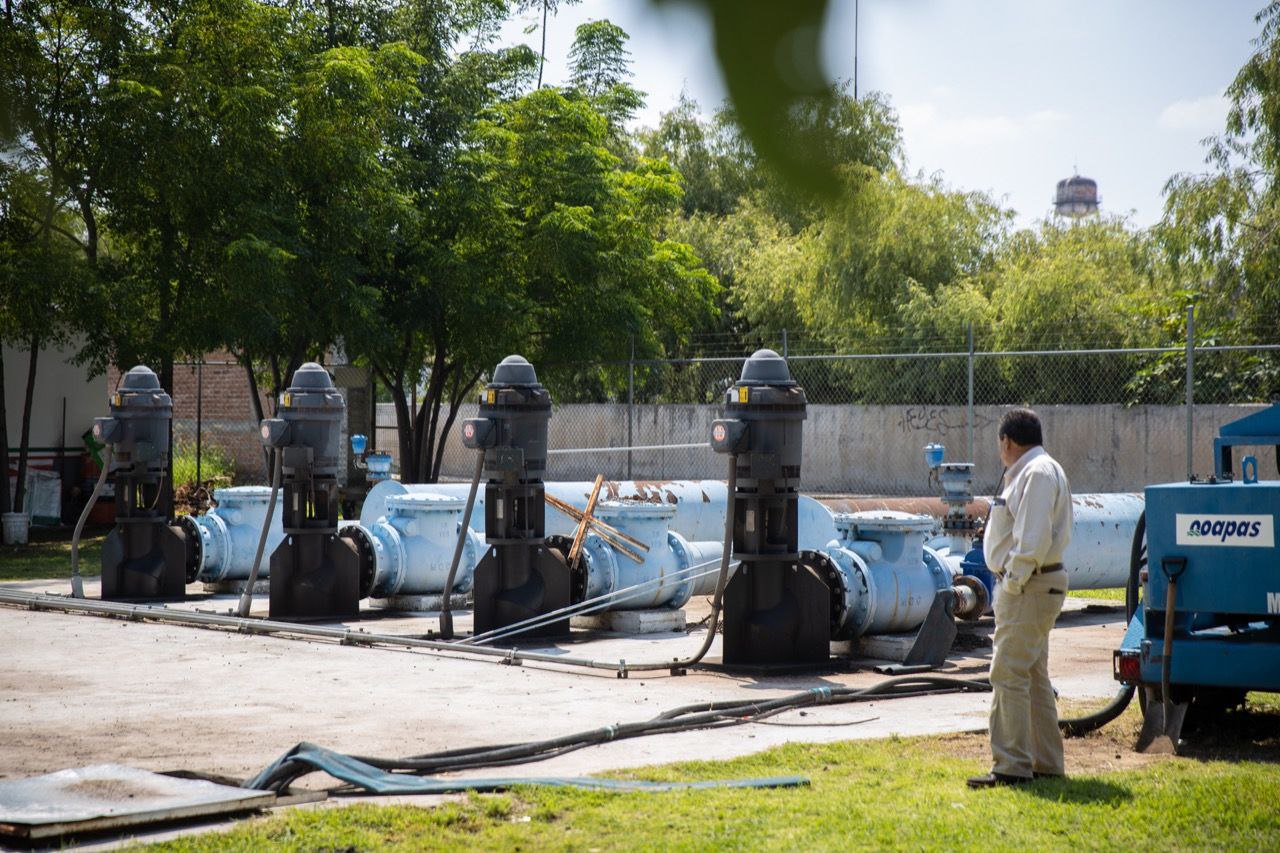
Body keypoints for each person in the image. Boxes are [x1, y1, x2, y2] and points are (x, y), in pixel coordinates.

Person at [968, 408, 1074, 789]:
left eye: (1000, 444)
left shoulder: (1036, 474)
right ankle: (1046, 761)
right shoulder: (1038, 470)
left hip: (1029, 585)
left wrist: (1011, 583)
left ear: (1007, 441)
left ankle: (1011, 765)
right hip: (1035, 583)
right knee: (1031, 673)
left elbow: (1032, 539)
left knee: (1007, 672)